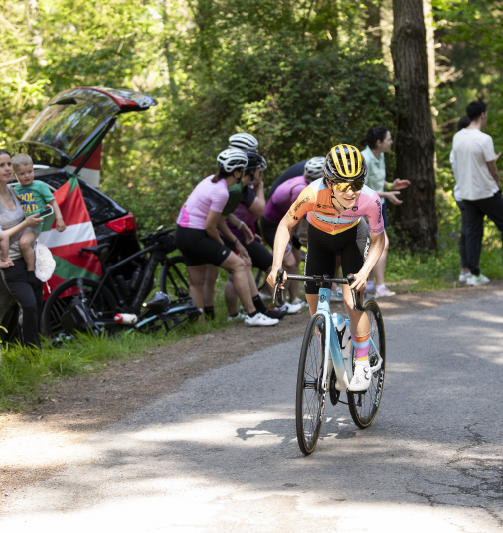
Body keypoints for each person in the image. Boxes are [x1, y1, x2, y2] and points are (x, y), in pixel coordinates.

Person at [267, 145, 385, 392]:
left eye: (358, 184)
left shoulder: (370, 200)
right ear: (329, 182)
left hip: (353, 237)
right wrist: (276, 265)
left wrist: (364, 273)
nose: (352, 192)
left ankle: (362, 362)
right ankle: (337, 333)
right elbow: (285, 225)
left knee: (352, 301)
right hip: (319, 240)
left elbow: (378, 241)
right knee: (315, 311)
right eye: (343, 185)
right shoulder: (311, 194)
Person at [174, 148, 278, 327]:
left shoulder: (210, 181)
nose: (246, 174)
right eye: (244, 171)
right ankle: (252, 314)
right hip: (197, 234)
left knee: (196, 282)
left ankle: (200, 325)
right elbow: (211, 226)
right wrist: (222, 245)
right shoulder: (222, 192)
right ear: (237, 172)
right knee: (238, 264)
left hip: (181, 233)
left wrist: (240, 228)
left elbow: (220, 216)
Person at [262, 157, 326, 312]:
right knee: (288, 262)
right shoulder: (301, 190)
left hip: (287, 224)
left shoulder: (308, 185)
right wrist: (290, 241)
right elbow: (291, 219)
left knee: (296, 258)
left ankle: (295, 298)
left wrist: (296, 235)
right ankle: (280, 302)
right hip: (273, 226)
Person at [452, 100, 503, 286]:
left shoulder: (457, 137)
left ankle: (474, 275)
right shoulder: (484, 139)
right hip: (486, 192)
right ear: (483, 114)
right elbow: (493, 170)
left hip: (467, 193)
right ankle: (474, 274)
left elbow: (463, 162)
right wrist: (496, 185)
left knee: (473, 233)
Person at [0, 150, 45, 346]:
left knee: (35, 305)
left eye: (9, 164)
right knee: (28, 305)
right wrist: (26, 223)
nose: (7, 168)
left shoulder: (13, 189)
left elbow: (37, 201)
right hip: (9, 262)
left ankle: (34, 353)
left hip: (29, 258)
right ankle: (30, 353)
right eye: (1, 165)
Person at [360, 127, 410, 297]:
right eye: (388, 139)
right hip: (367, 207)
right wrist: (387, 194)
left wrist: (391, 186)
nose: (391, 142)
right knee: (382, 244)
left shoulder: (380, 156)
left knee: (375, 245)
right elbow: (361, 188)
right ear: (379, 142)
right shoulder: (364, 158)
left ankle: (371, 285)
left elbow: (376, 183)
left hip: (380, 205)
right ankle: (380, 287)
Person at [12, 153, 66, 282]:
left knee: (24, 243)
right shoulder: (14, 190)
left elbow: (53, 202)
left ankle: (31, 272)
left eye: (30, 171)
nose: (27, 176)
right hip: (20, 224)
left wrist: (59, 218)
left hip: (34, 224)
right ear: (14, 175)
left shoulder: (40, 185)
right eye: (22, 173)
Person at [449, 115, 482, 283]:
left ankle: (466, 270)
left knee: (467, 232)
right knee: (470, 234)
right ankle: (468, 272)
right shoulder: (464, 149)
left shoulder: (455, 149)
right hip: (469, 195)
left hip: (461, 194)